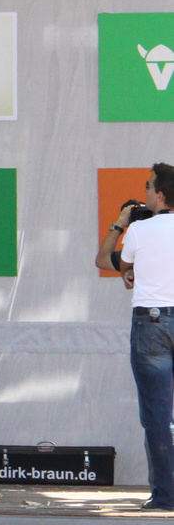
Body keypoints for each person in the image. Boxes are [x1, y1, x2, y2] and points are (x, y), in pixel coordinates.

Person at [102, 164, 174, 511]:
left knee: (158, 415)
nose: (145, 193)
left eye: (148, 187)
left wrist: (122, 222)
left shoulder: (141, 230)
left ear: (160, 195)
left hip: (152, 321)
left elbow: (108, 261)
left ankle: (166, 496)